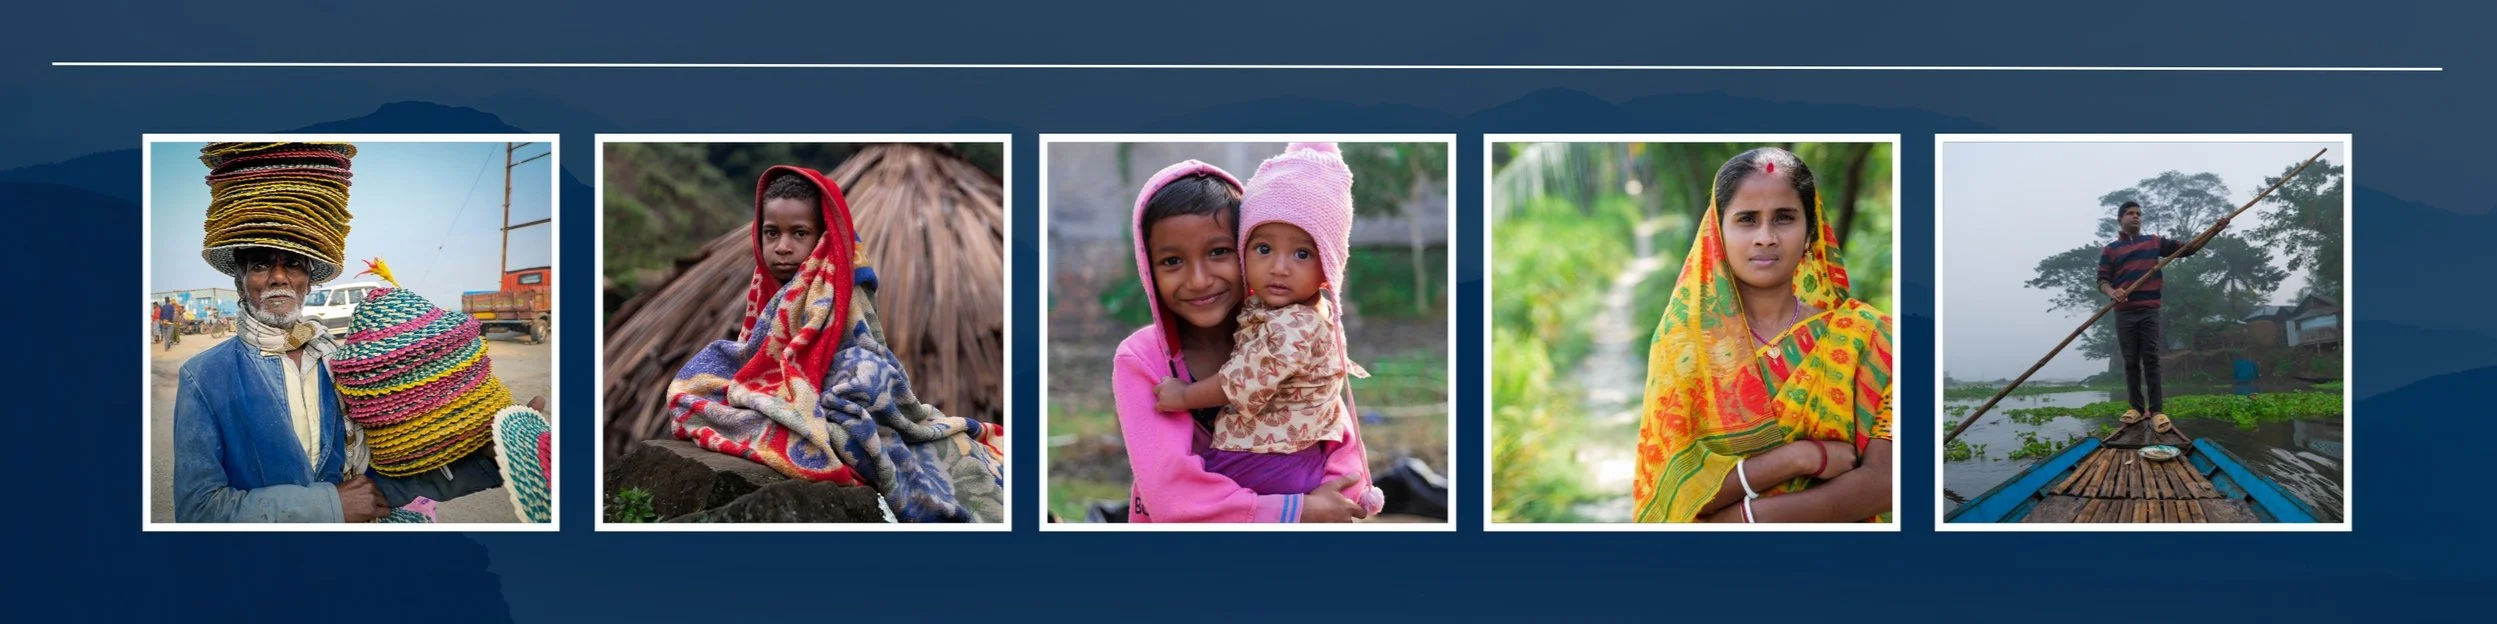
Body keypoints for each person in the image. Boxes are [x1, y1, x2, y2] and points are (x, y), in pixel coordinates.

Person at [173, 142, 521, 523]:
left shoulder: (342, 365)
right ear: (241, 284)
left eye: (292, 264)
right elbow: (198, 509)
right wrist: (330, 506)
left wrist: (493, 458)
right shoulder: (205, 375)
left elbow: (385, 483)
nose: (278, 277)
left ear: (308, 282)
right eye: (259, 265)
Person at [666, 166, 1005, 522]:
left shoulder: (834, 284)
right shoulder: (769, 288)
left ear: (824, 236)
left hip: (847, 378)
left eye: (799, 233)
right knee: (701, 375)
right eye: (771, 233)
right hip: (805, 385)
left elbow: (860, 353)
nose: (782, 247)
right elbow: (762, 354)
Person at [1632, 147, 1895, 523]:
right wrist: (1797, 458)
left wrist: (1740, 521)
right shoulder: (1686, 348)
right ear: (1717, 234)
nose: (1766, 237)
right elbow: (1670, 492)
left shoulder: (1868, 337)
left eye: (1784, 218)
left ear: (1810, 232)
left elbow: (1885, 483)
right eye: (1747, 220)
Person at [1112, 158, 1382, 523]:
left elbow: (1335, 436)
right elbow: (1173, 496)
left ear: (1244, 247)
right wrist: (1297, 510)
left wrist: (1330, 501)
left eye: (1219, 252)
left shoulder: (1286, 335)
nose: (1199, 279)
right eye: (1172, 260)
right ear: (1147, 267)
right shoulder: (1142, 360)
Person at [2097, 200, 2225, 433]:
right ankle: (2136, 408)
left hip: (2149, 310)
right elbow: (2102, 280)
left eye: (2138, 214)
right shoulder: (2110, 250)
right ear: (2120, 220)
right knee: (2131, 361)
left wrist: (2214, 230)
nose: (2135, 217)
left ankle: (2156, 411)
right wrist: (2112, 292)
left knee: (2151, 360)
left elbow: (2189, 249)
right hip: (2124, 313)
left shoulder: (2153, 242)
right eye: (2130, 214)